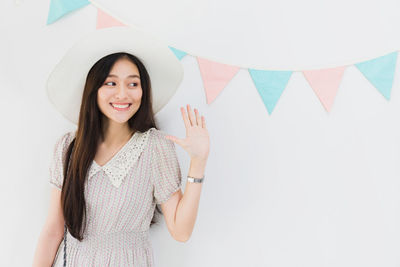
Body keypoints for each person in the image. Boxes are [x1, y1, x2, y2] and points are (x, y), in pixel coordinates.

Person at [32, 26, 210, 266]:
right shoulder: (68, 148)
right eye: (111, 83)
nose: (123, 94)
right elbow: (53, 230)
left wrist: (198, 162)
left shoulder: (155, 147)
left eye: (133, 84)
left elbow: (181, 231)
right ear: (94, 90)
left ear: (143, 90)